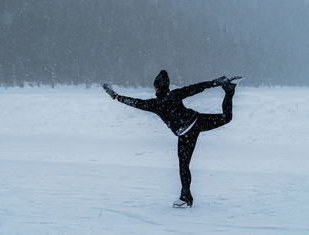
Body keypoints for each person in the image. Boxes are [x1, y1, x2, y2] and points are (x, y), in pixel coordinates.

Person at [103, 70, 241, 208]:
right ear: (167, 86)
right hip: (197, 121)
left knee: (184, 166)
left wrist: (116, 97)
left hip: (186, 134)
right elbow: (196, 88)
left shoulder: (155, 104)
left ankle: (186, 197)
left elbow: (135, 103)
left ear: (156, 87)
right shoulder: (175, 94)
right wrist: (215, 82)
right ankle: (229, 90)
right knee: (226, 118)